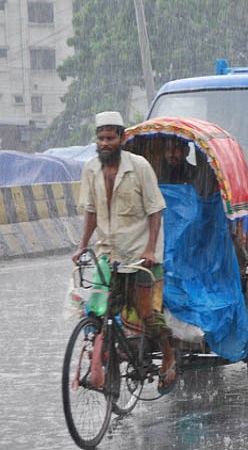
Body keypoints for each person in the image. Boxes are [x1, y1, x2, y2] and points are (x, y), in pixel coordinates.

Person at [72, 111, 177, 393]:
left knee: (147, 314)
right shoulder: (91, 170)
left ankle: (168, 355)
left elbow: (156, 210)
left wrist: (150, 249)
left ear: (121, 138)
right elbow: (91, 212)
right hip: (108, 254)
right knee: (96, 310)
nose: (105, 143)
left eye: (110, 137)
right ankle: (104, 364)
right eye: (101, 138)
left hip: (140, 256)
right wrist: (82, 246)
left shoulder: (139, 167)